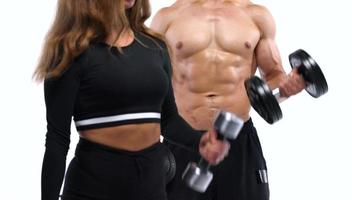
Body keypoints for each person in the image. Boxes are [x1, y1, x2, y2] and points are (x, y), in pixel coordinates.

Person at [33, 0, 230, 200]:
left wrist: (200, 141)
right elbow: (57, 140)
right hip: (93, 188)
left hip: (151, 186)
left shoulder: (155, 47)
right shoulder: (70, 53)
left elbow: (168, 120)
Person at [151, 0, 306, 200]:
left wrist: (287, 87)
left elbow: (274, 74)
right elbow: (150, 82)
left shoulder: (256, 16)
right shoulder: (167, 17)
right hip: (184, 143)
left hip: (238, 143)